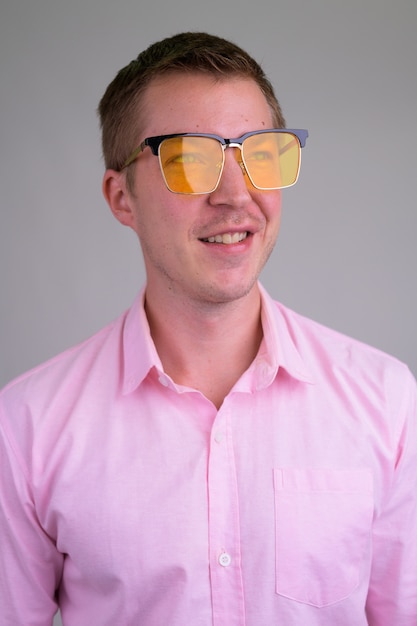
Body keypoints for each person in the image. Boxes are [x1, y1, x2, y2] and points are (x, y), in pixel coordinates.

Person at [0, 31, 416, 626]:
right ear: (122, 197)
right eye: (191, 160)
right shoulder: (26, 430)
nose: (235, 193)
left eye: (260, 154)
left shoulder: (387, 403)